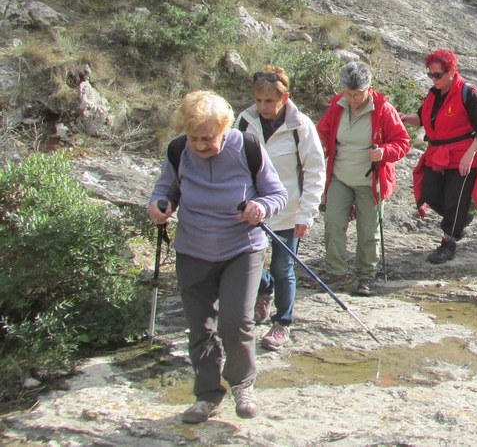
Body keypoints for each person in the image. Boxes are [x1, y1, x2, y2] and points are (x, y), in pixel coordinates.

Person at [149, 91, 288, 424]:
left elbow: (277, 194)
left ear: (225, 129)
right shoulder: (178, 150)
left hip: (242, 247)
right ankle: (207, 395)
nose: (200, 145)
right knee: (200, 328)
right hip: (193, 250)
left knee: (235, 322)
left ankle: (242, 384)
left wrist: (261, 208)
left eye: (208, 138)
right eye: (194, 138)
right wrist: (159, 207)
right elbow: (164, 190)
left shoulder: (247, 147)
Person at [235, 67, 326, 350]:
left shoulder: (301, 126)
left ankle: (282, 323)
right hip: (253, 211)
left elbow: (314, 170)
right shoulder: (243, 121)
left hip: (289, 211)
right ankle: (265, 290)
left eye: (269, 101)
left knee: (283, 266)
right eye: (258, 100)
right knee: (244, 264)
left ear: (284, 98)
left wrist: (307, 213)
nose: (262, 107)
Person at [317, 61, 410, 295]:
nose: (353, 99)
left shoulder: (383, 109)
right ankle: (335, 273)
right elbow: (322, 133)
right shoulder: (337, 106)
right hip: (340, 177)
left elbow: (402, 141)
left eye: (357, 94)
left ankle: (366, 276)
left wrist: (384, 152)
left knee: (368, 230)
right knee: (333, 224)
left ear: (368, 88)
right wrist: (322, 147)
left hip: (371, 181)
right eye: (348, 93)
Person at [401, 49, 477, 264]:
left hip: (463, 155)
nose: (434, 79)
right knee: (429, 192)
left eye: (438, 75)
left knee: (455, 199)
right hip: (439, 154)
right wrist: (405, 118)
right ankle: (460, 218)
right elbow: (423, 118)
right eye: (430, 75)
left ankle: (448, 243)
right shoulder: (434, 93)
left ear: (452, 71)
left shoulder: (468, 92)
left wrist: (469, 155)